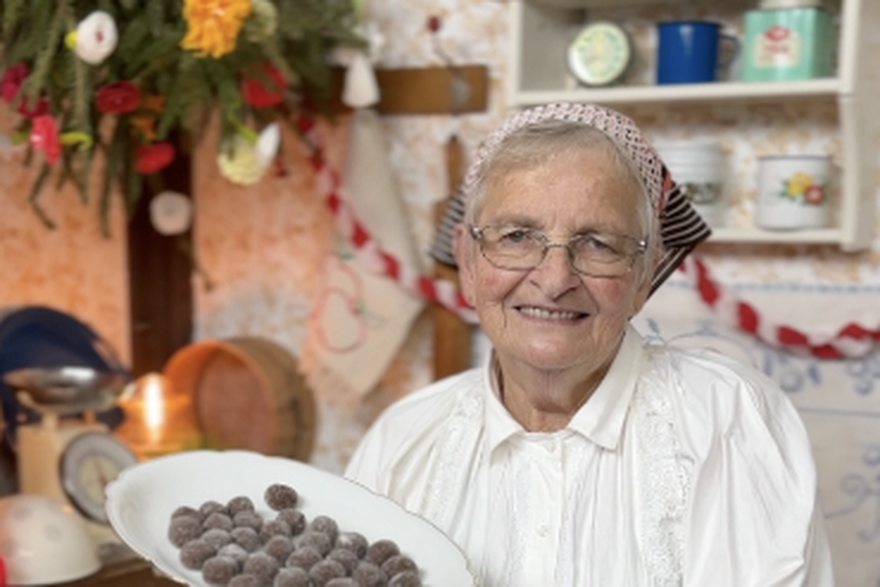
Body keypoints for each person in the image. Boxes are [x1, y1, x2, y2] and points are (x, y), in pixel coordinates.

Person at [344, 103, 834, 586]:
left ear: (645, 274)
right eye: (517, 236)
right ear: (468, 263)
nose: (555, 279)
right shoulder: (402, 440)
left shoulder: (728, 421)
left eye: (598, 243)